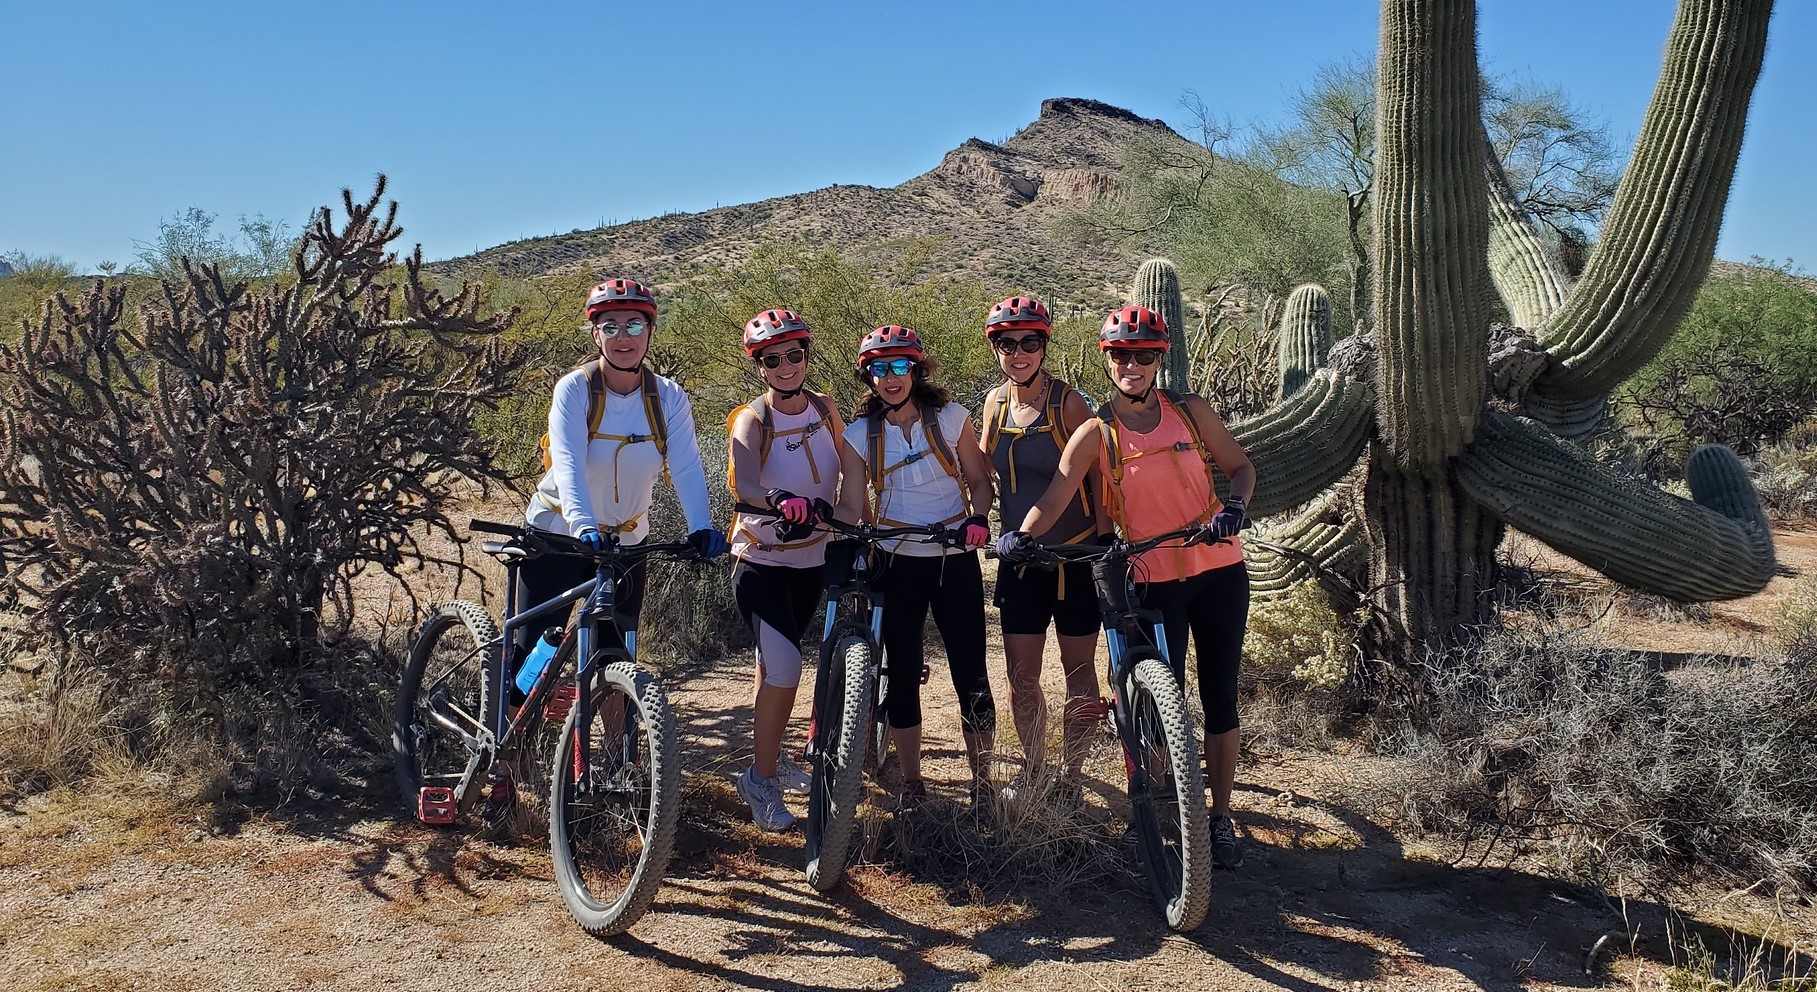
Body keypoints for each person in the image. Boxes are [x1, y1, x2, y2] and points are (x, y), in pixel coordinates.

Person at [997, 304, 1256, 869]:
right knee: (1166, 701)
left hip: (1217, 568)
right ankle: (1169, 803)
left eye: (1143, 355)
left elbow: (1240, 467)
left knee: (1219, 696)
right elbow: (1057, 494)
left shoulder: (1191, 412)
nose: (1132, 365)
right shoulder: (1095, 432)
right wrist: (1017, 536)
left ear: (1159, 358)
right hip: (1151, 577)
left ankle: (1219, 817)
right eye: (1121, 355)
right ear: (1107, 360)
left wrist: (1235, 506)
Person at [518, 277, 728, 683]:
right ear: (596, 334)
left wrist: (701, 526)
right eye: (610, 326)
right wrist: (582, 525)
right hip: (559, 535)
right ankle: (505, 741)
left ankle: (622, 747)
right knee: (530, 662)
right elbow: (567, 464)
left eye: (634, 325)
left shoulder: (668, 397)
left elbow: (685, 466)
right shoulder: (575, 389)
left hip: (626, 542)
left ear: (650, 331)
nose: (623, 337)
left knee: (615, 659)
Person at [725, 308, 868, 831]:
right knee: (785, 670)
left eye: (794, 354)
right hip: (761, 563)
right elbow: (744, 486)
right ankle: (758, 781)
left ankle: (773, 760)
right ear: (759, 365)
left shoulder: (826, 410)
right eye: (772, 358)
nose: (786, 366)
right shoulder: (753, 420)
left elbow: (853, 477)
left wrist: (855, 527)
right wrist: (779, 498)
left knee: (774, 673)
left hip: (813, 560)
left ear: (806, 355)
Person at [843, 325, 996, 810]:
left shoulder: (951, 418)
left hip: (954, 557)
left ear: (917, 369)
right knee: (902, 671)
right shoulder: (857, 433)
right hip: (898, 559)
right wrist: (845, 533)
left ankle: (982, 781)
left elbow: (979, 480)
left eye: (900, 367)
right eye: (879, 369)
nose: (890, 378)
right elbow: (851, 503)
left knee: (970, 670)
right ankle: (912, 782)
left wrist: (977, 518)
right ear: (868, 376)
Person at [976, 296, 1105, 798]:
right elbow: (983, 468)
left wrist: (1105, 535)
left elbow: (1095, 474)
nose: (1018, 352)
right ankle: (1034, 770)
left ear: (1044, 346)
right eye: (1006, 343)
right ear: (996, 349)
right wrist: (972, 513)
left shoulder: (1067, 403)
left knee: (1079, 676)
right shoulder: (994, 403)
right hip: (1019, 561)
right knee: (1021, 677)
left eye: (1029, 342)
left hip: (1073, 557)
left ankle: (1072, 777)